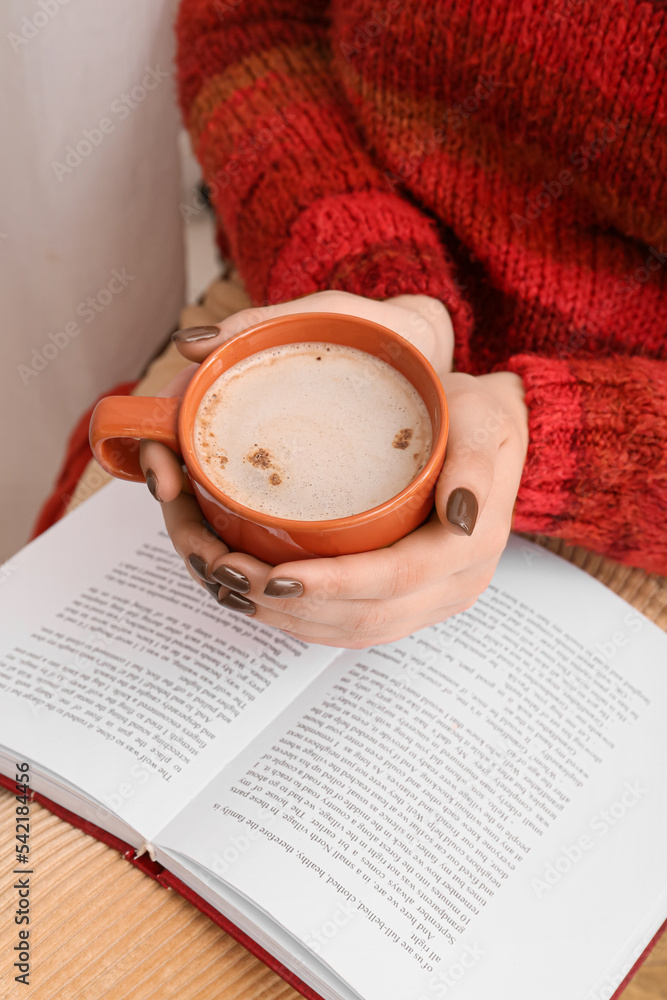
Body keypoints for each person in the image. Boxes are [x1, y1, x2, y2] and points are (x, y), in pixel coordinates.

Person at [142, 0, 666, 649]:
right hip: (314, 290)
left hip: (629, 468)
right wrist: (387, 299)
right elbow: (250, 23)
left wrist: (563, 438)